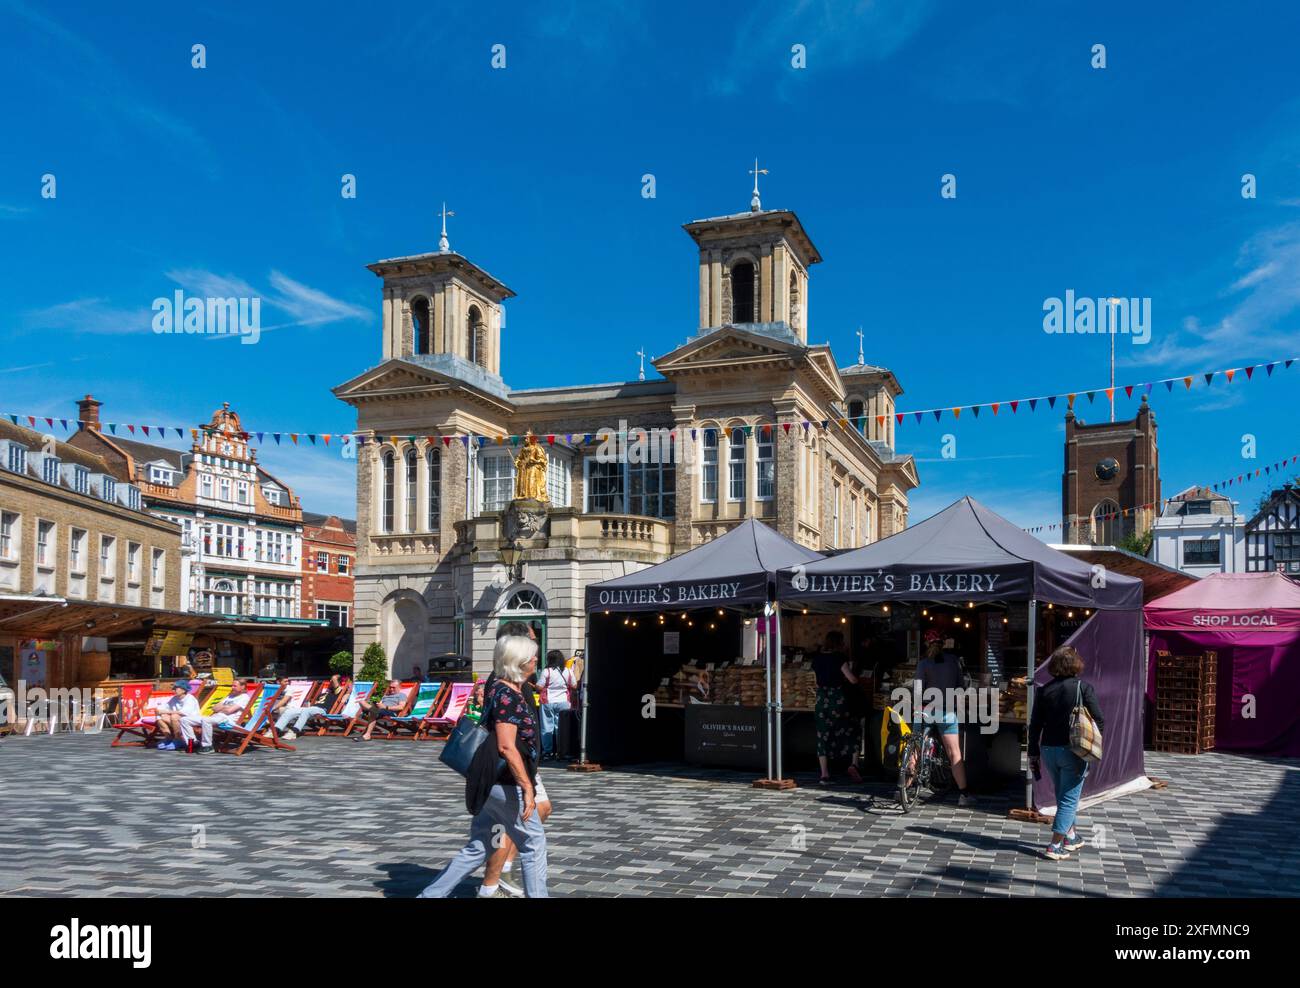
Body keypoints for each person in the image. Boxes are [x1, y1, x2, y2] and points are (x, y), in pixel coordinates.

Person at [419, 634, 548, 898]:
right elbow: (506, 746)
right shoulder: (506, 695)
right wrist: (527, 787)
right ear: (520, 660)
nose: (536, 659)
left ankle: (430, 895)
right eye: (532, 655)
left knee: (479, 845)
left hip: (489, 780)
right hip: (503, 780)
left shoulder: (503, 686)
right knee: (533, 843)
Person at [1029, 645, 1104, 860]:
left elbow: (1035, 724)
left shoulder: (1044, 690)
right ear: (1075, 664)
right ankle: (1054, 845)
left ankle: (1070, 836)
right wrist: (1095, 743)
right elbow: (1099, 718)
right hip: (1074, 750)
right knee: (1069, 798)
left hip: (1048, 750)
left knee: (1063, 794)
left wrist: (1033, 751)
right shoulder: (1083, 688)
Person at [913, 631, 976, 806]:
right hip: (947, 711)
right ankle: (964, 795)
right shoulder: (953, 661)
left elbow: (918, 690)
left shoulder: (923, 664)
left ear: (926, 644)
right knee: (954, 752)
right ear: (944, 643)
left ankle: (905, 786)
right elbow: (961, 688)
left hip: (925, 709)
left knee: (916, 748)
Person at [813, 630, 864, 786]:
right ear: (839, 643)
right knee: (853, 729)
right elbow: (852, 679)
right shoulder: (839, 658)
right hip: (838, 699)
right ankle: (854, 764)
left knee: (823, 736)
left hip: (822, 700)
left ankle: (824, 774)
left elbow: (816, 682)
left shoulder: (817, 658)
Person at [537, 650, 577, 759]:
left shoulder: (546, 671)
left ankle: (547, 752)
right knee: (561, 727)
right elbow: (574, 686)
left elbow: (540, 687)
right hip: (564, 701)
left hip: (548, 702)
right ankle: (562, 751)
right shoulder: (568, 671)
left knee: (547, 728)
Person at [276, 674, 342, 740]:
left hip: (322, 710)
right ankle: (275, 730)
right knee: (290, 711)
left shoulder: (338, 692)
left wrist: (334, 679)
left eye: (332, 681)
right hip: (312, 709)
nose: (330, 681)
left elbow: (335, 681)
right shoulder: (325, 692)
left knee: (307, 711)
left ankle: (294, 732)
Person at [197, 680, 252, 753]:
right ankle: (193, 743)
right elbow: (214, 708)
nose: (232, 688)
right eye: (232, 686)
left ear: (242, 687)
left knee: (206, 721)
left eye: (234, 686)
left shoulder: (244, 697)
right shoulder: (230, 696)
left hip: (227, 721)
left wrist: (222, 708)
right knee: (186, 720)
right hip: (217, 717)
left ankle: (208, 746)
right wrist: (226, 707)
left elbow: (229, 711)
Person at [155, 680, 199, 751]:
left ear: (183, 690)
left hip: (191, 720)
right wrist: (159, 710)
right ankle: (169, 738)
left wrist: (167, 711)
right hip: (179, 720)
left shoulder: (190, 699)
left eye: (176, 688)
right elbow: (165, 706)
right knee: (160, 717)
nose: (173, 690)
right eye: (174, 688)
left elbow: (183, 712)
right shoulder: (175, 698)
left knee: (174, 716)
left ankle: (178, 740)